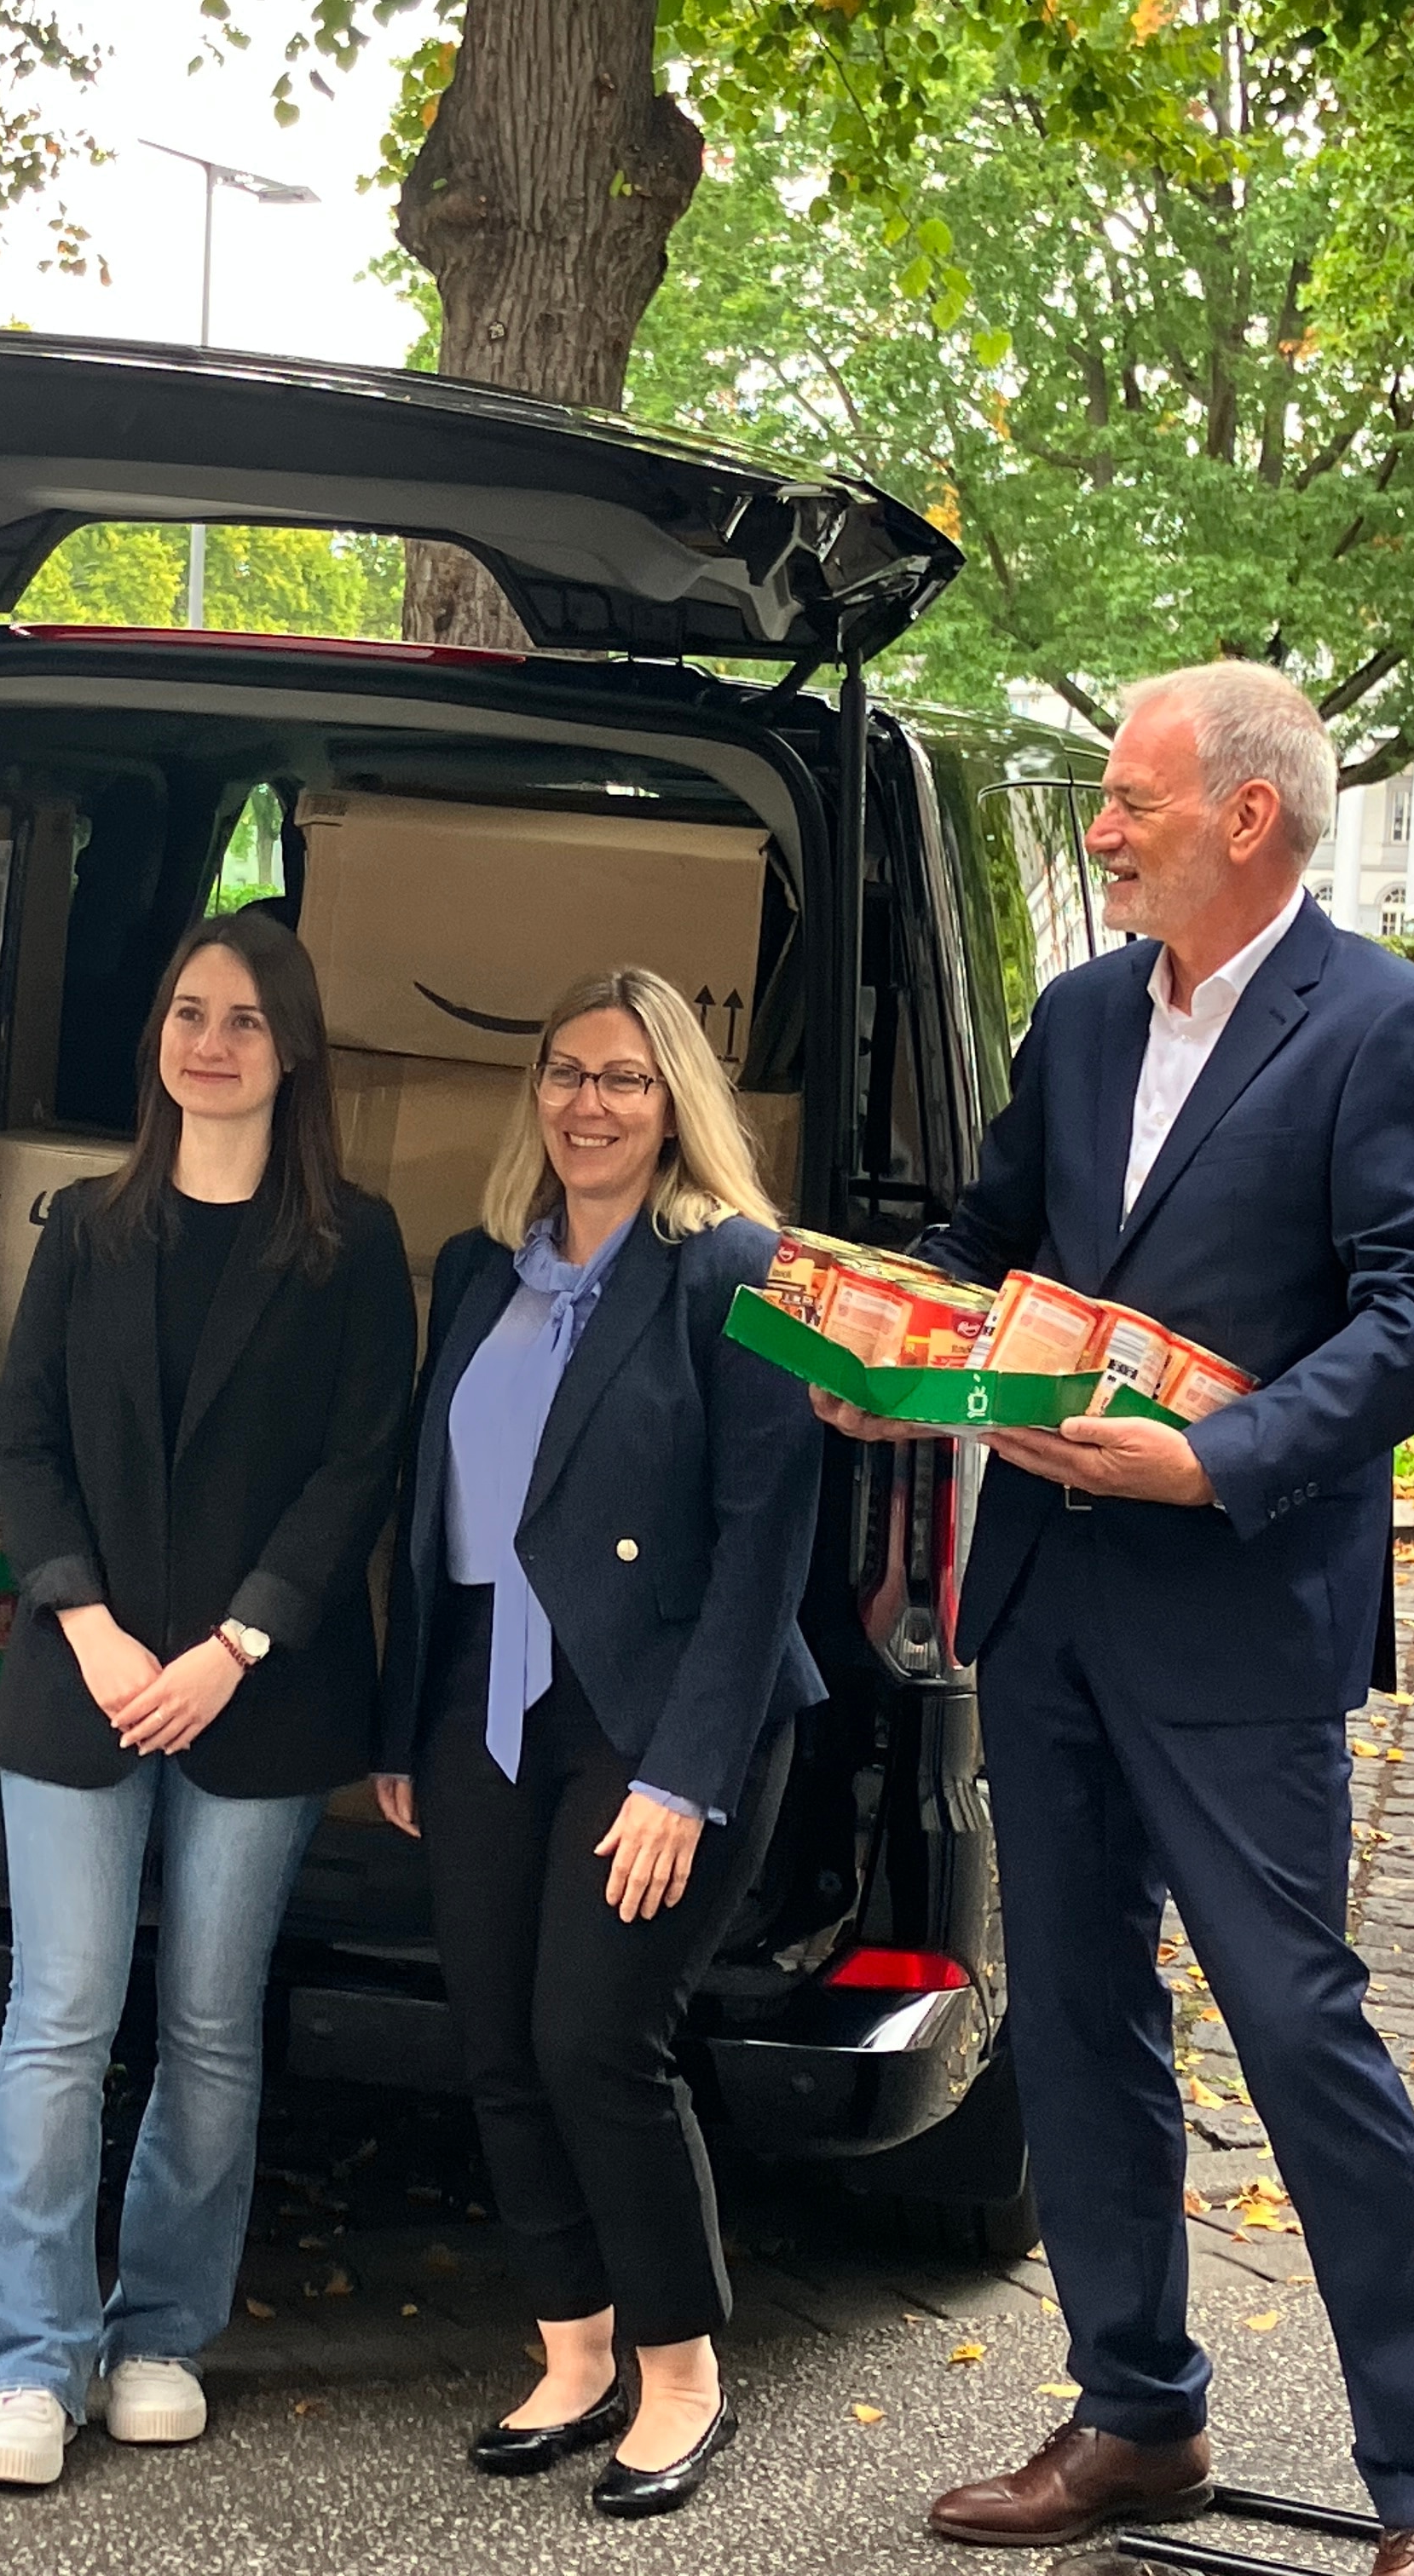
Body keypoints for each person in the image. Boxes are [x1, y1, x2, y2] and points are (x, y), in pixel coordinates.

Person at [817, 661, 1414, 2572]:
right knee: (1082, 2022)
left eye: (1129, 803)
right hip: (1043, 1600)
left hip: (1235, 1615)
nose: (1102, 832)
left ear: (1247, 818)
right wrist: (904, 1350)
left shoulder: (1388, 1028)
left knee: (1298, 2026)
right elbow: (995, 1245)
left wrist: (1220, 1464)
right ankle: (1137, 2420)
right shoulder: (1079, 1015)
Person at [0, 912, 416, 2489]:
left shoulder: (354, 1244)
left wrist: (237, 1645)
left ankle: (158, 2332)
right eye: (185, 1011)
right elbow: (26, 1448)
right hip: (84, 1681)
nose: (207, 1040)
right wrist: (85, 1627)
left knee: (212, 2025)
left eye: (241, 1018)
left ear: (292, 1052)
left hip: (256, 1697)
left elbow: (362, 1467)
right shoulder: (86, 1227)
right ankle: (26, 2360)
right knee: (60, 2018)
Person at [372, 964, 825, 2524]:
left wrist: (682, 1778)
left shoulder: (733, 1273)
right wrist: (401, 1724)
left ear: (677, 1100)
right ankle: (572, 2350)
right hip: (483, 1714)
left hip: (656, 1719)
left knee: (595, 2039)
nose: (589, 1103)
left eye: (626, 1077)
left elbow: (768, 1553)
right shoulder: (481, 1271)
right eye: (566, 1073)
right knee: (495, 2039)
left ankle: (682, 2369)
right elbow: (430, 1523)